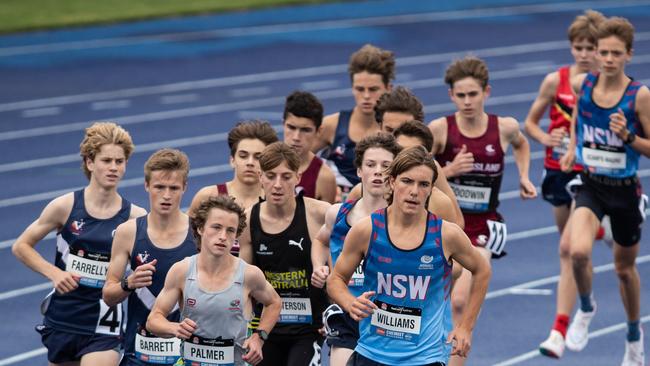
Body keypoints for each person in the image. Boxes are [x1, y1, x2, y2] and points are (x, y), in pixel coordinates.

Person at [327, 146, 491, 365]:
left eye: (423, 184)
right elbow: (335, 279)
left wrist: (465, 327)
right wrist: (349, 302)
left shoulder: (445, 235)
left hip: (424, 359)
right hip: (371, 355)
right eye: (407, 181)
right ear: (392, 182)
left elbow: (482, 270)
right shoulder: (366, 230)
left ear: (431, 189)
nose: (414, 191)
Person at [429, 56, 537, 366]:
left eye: (473, 94)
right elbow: (413, 168)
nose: (467, 101)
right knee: (437, 300)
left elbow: (522, 144)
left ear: (486, 92)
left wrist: (525, 176)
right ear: (451, 96)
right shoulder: (440, 129)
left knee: (460, 301)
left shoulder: (504, 127)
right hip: (444, 223)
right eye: (460, 95)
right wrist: (448, 171)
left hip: (483, 225)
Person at [12, 122, 146, 366]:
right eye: (107, 161)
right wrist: (54, 273)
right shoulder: (64, 206)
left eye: (120, 161)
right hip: (64, 317)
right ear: (90, 162)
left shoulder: (135, 217)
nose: (114, 167)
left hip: (104, 323)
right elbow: (21, 246)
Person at [560, 16, 650, 365]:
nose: (609, 59)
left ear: (628, 54)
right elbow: (575, 117)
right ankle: (585, 307)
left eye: (616, 53)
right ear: (595, 53)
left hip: (625, 191)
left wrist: (628, 137)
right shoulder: (583, 84)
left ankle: (633, 335)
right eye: (603, 52)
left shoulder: (639, 96)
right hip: (592, 185)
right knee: (578, 253)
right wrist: (571, 148)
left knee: (624, 270)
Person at [522, 10, 607, 359]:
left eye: (591, 47)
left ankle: (558, 328)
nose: (585, 54)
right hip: (557, 171)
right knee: (570, 249)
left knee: (568, 249)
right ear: (571, 47)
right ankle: (599, 229)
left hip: (588, 174)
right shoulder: (554, 81)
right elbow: (530, 122)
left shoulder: (607, 85)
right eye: (579, 47)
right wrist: (547, 136)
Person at [146, 195, 282, 366]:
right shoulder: (181, 271)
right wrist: (174, 328)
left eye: (230, 230)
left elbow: (274, 302)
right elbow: (153, 320)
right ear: (201, 228)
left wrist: (259, 337)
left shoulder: (249, 274)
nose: (223, 236)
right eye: (216, 227)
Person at [311, 133, 401, 366]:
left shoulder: (403, 220)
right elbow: (321, 241)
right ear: (360, 171)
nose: (378, 171)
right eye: (370, 165)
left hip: (387, 318)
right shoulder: (337, 213)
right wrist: (319, 267)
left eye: (386, 166)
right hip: (347, 314)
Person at [239, 142, 331, 365]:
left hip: (310, 329)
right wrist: (249, 331)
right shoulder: (249, 220)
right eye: (270, 176)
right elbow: (243, 284)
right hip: (266, 329)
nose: (277, 185)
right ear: (261, 177)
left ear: (298, 177)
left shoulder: (319, 213)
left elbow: (341, 269)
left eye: (286, 177)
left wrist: (331, 311)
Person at [103, 148, 197, 366]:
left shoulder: (199, 234)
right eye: (159, 187)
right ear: (146, 186)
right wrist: (129, 283)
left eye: (173, 188)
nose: (166, 195)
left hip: (186, 356)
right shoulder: (128, 232)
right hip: (138, 353)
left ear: (184, 187)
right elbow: (108, 295)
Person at [348, 87, 464, 227]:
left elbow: (457, 223)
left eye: (404, 130)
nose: (396, 140)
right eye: (390, 130)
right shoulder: (365, 180)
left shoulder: (431, 170)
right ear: (379, 127)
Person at [312, 44, 395, 199]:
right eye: (360, 89)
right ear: (352, 88)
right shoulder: (331, 125)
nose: (366, 96)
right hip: (338, 212)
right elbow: (298, 163)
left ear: (388, 88)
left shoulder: (395, 129)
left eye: (373, 89)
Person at [189, 120, 278, 255]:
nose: (249, 163)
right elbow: (187, 242)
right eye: (243, 156)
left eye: (258, 157)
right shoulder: (207, 196)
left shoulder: (275, 202)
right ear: (232, 160)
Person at [283, 90, 337, 203]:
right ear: (283, 124)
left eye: (305, 130)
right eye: (291, 127)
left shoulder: (324, 178)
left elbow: (326, 220)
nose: (296, 137)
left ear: (319, 131)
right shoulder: (263, 165)